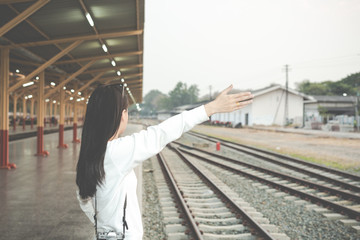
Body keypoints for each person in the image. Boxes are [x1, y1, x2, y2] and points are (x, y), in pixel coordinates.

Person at [76, 84, 253, 239]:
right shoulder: (116, 152)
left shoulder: (94, 151)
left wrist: (103, 227)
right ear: (121, 115)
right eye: (126, 110)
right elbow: (161, 133)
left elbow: (83, 196)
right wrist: (210, 108)